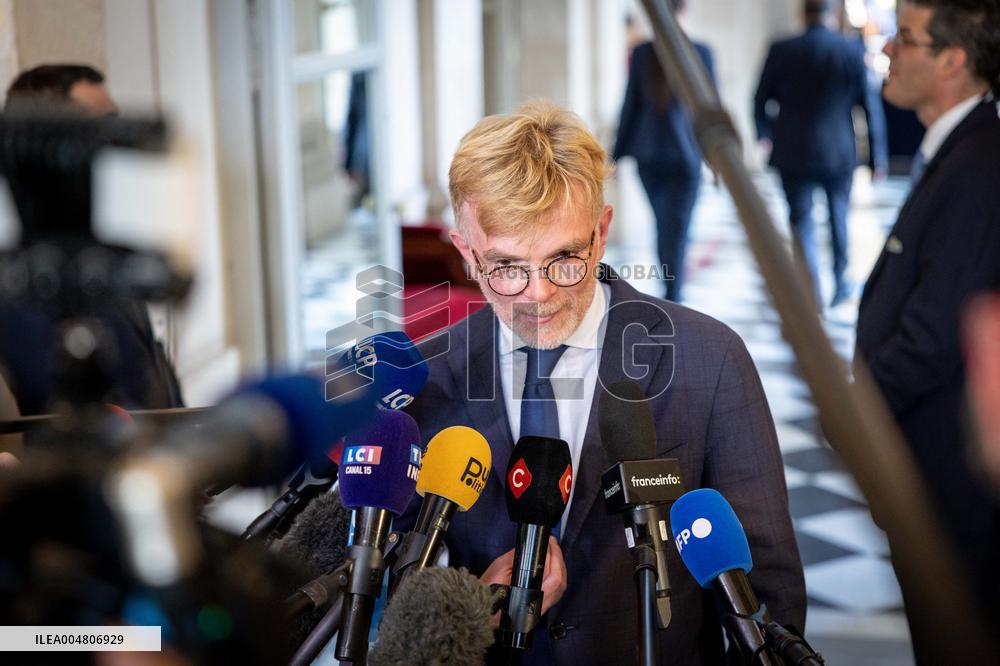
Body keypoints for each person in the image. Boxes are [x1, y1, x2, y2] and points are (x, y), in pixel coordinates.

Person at [398, 100, 805, 665]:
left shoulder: (709, 360)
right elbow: (388, 580)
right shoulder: (425, 376)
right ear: (466, 252)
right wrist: (464, 606)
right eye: (507, 266)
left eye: (565, 259)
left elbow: (768, 592)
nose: (538, 295)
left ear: (602, 232)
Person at [854, 0, 1000, 658]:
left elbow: (934, 334)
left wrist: (857, 411)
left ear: (953, 60)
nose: (888, 51)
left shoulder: (976, 168)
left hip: (947, 475)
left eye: (905, 40)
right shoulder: (959, 150)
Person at [0, 64, 183, 415]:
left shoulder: (108, 254)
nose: (112, 141)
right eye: (96, 127)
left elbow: (155, 382)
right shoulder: (21, 281)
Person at [754, 0, 888, 308]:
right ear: (832, 14)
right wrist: (877, 157)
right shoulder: (850, 49)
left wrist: (765, 135)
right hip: (838, 151)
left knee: (801, 222)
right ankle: (840, 282)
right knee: (839, 216)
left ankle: (808, 288)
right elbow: (869, 107)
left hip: (793, 150)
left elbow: (760, 98)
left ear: (803, 14)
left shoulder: (783, 48)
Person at [613, 0, 715, 302]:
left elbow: (629, 108)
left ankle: (672, 290)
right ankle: (674, 292)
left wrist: (616, 155)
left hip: (650, 156)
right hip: (684, 156)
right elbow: (710, 110)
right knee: (677, 227)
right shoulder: (701, 52)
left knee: (665, 226)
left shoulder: (643, 53)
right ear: (686, 11)